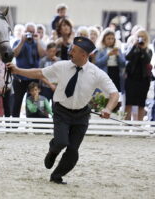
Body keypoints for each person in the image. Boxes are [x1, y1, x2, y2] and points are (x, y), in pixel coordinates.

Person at [7, 36, 119, 184]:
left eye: (73, 50)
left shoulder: (96, 73)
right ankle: (53, 151)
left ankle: (56, 176)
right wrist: (17, 70)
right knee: (60, 142)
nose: (70, 51)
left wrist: (108, 109)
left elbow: (114, 93)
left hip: (82, 115)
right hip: (62, 111)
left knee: (73, 152)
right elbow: (40, 73)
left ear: (84, 55)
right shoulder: (62, 66)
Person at [12, 22, 45, 117]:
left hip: (33, 77)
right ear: (24, 32)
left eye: (32, 32)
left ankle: (30, 125)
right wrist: (22, 41)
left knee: (32, 101)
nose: (30, 34)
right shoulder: (18, 42)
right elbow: (14, 54)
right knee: (17, 101)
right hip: (20, 77)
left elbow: (42, 55)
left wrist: (38, 40)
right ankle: (14, 126)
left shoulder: (38, 43)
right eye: (28, 32)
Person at [124, 29, 152, 121]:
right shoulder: (130, 47)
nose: (141, 39)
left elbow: (147, 60)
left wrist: (143, 49)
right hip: (131, 79)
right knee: (129, 103)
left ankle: (139, 126)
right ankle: (126, 126)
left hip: (143, 80)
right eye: (139, 36)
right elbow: (127, 57)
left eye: (143, 37)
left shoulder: (148, 50)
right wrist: (134, 46)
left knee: (141, 104)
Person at [95, 28, 126, 92]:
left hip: (116, 72)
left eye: (112, 38)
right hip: (106, 72)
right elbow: (98, 63)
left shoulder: (118, 49)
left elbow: (123, 63)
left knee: (116, 91)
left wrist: (118, 55)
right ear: (104, 39)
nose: (110, 40)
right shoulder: (100, 50)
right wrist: (107, 55)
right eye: (108, 38)